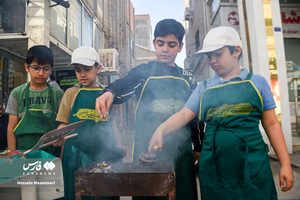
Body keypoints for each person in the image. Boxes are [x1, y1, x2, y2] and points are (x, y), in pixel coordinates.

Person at [148, 26, 294, 200]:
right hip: (214, 164)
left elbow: (271, 124)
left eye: (218, 53)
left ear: (236, 51)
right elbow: (183, 115)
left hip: (251, 160)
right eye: (209, 56)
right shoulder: (204, 87)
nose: (213, 60)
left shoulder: (257, 82)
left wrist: (285, 164)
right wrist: (161, 129)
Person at [96, 19, 199, 200]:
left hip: (181, 152)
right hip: (147, 150)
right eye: (160, 44)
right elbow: (124, 84)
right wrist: (109, 92)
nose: (165, 49)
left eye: (171, 44)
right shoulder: (143, 72)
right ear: (154, 44)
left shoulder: (188, 78)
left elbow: (195, 116)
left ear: (181, 47)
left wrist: (198, 145)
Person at [56, 46, 125, 200]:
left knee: (102, 192)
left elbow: (111, 121)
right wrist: (59, 137)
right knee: (77, 192)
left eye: (87, 69)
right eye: (77, 70)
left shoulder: (106, 94)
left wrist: (118, 144)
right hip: (75, 154)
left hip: (102, 153)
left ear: (98, 68)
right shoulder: (70, 93)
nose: (82, 74)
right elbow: (63, 123)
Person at [6, 45, 64, 156]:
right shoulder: (17, 93)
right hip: (24, 154)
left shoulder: (58, 94)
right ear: (27, 67)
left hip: (51, 155)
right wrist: (14, 156)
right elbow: (11, 128)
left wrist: (61, 158)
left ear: (51, 70)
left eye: (46, 69)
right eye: (36, 68)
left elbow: (63, 127)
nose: (41, 73)